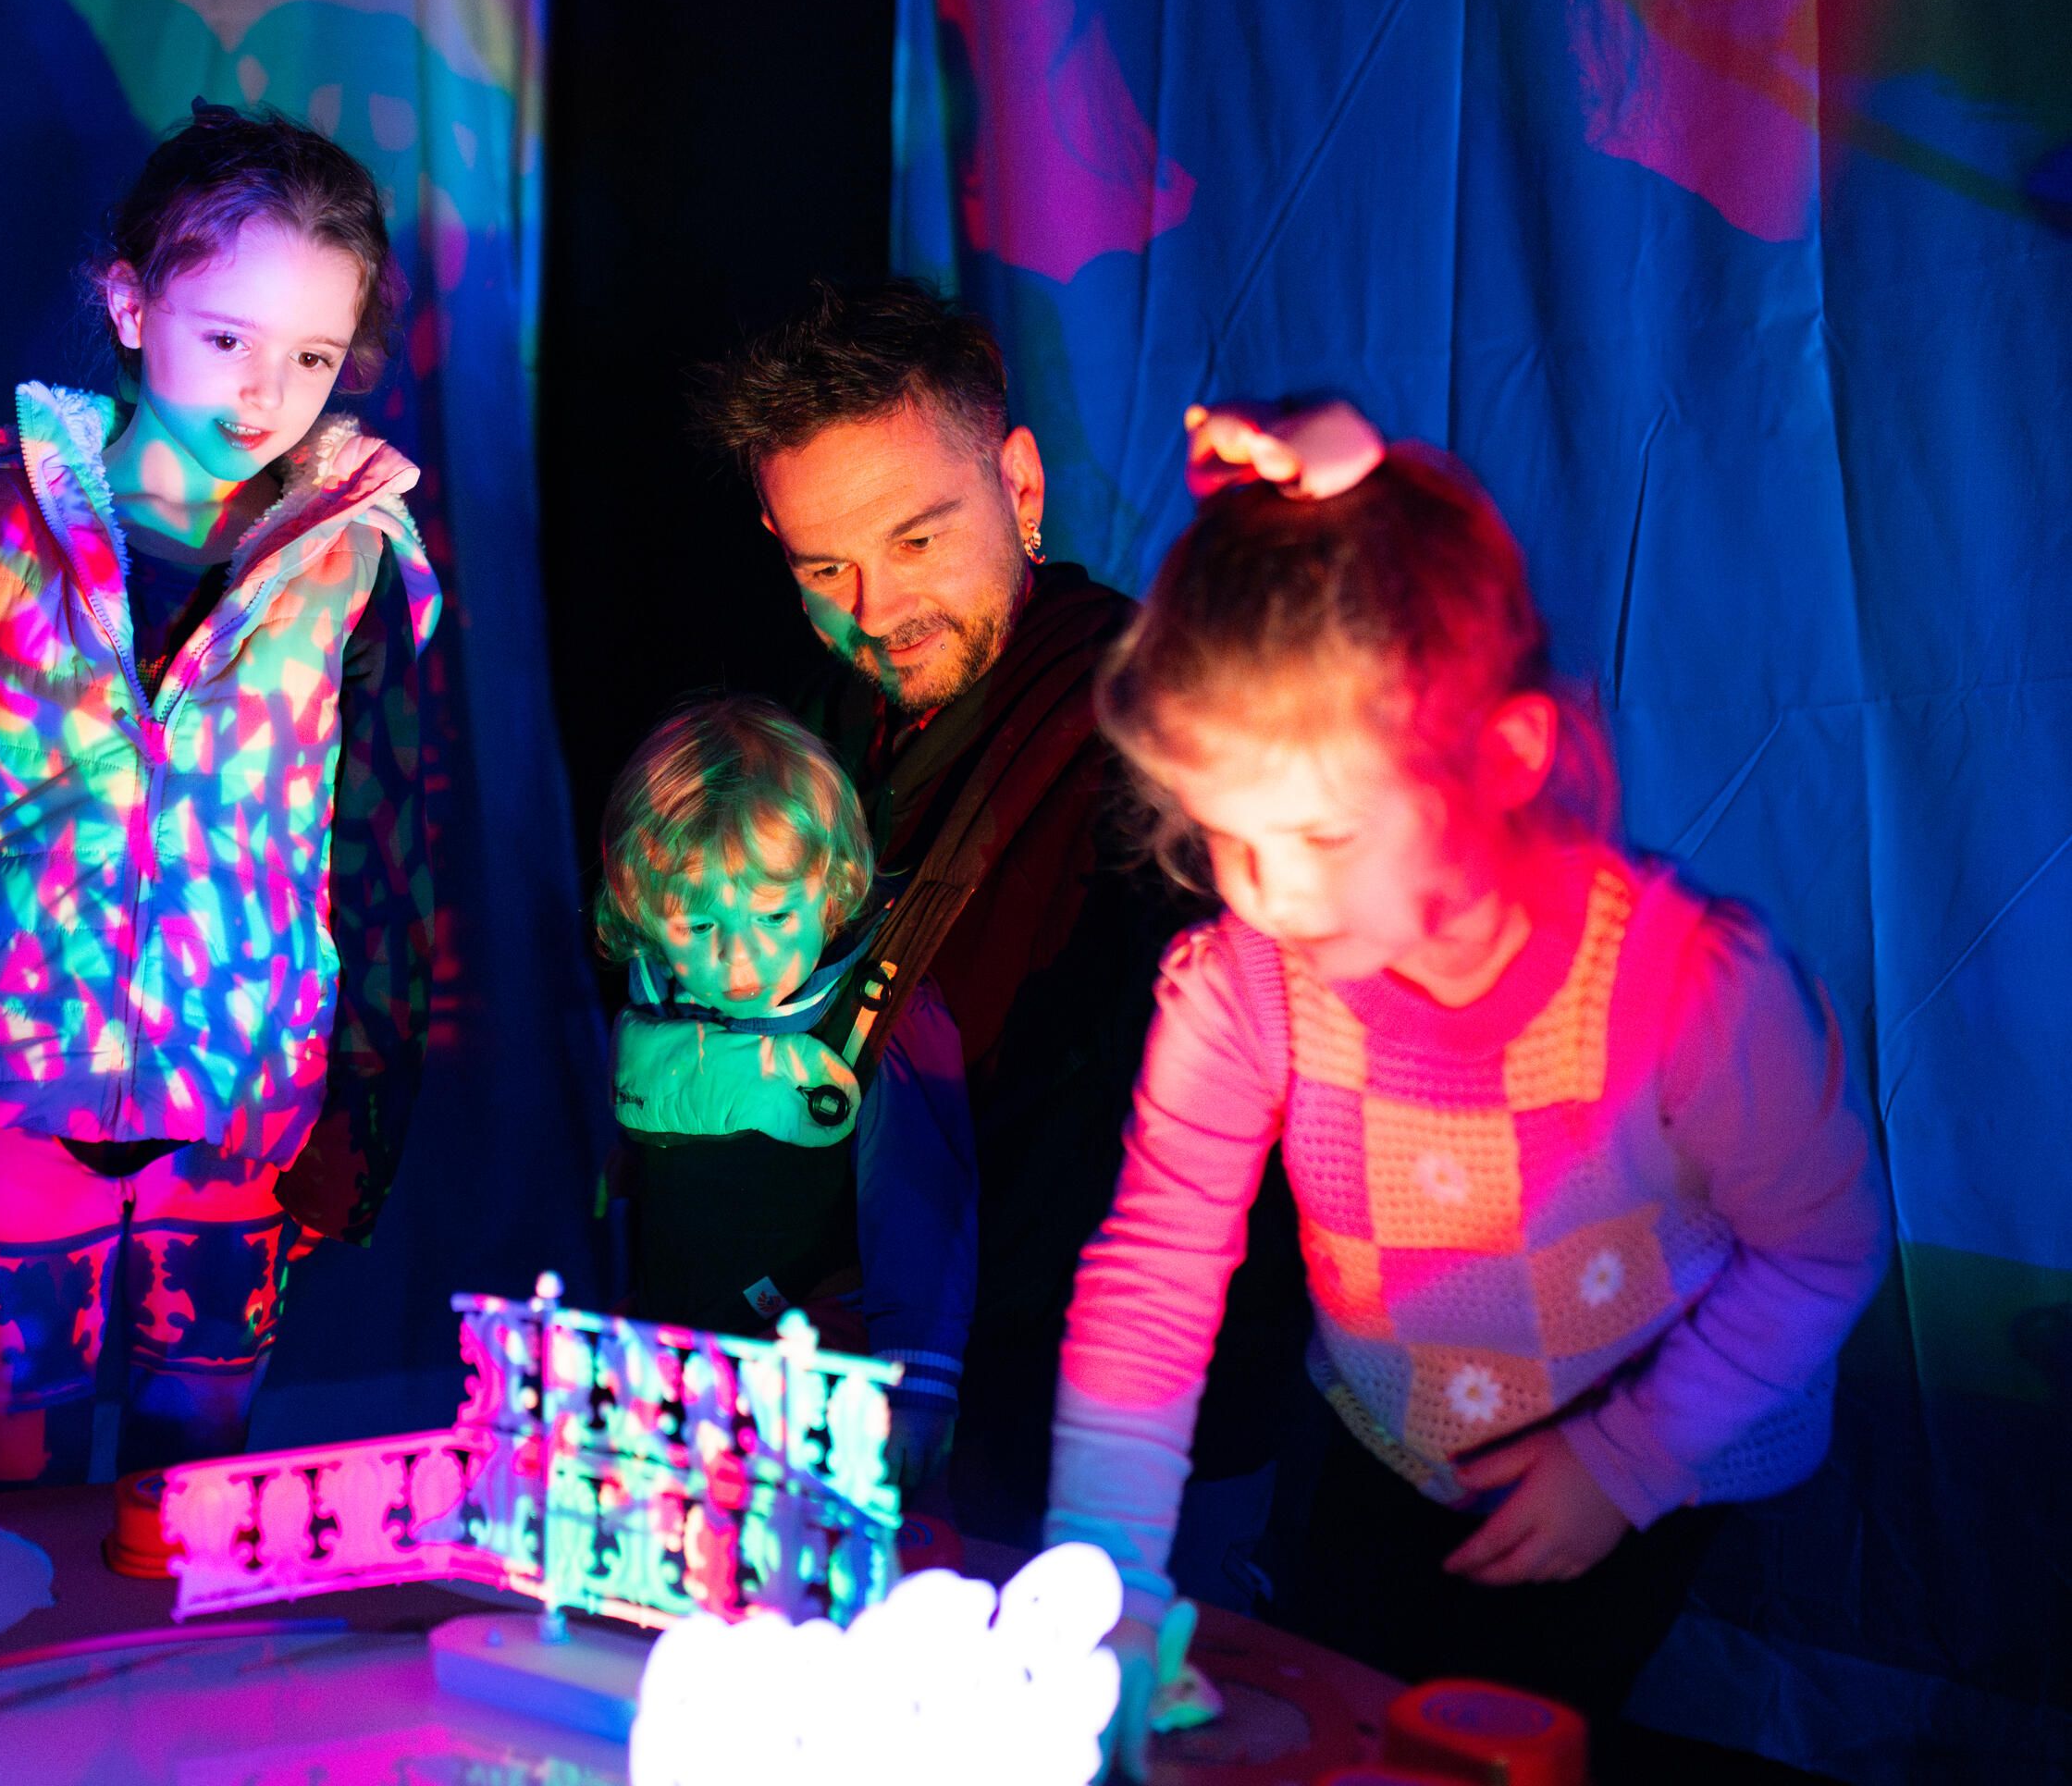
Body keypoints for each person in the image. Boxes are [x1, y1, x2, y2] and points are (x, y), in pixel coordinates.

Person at [1048, 402, 1890, 1778]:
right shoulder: (1241, 981)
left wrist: (1627, 1464)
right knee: (1343, 1709)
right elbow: (1153, 1279)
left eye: (1321, 831)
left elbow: (1823, 1250)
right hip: (1389, 1434)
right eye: (1227, 833)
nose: (1265, 890)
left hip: (1645, 1448)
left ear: (1500, 759)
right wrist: (1108, 1597)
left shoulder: (1689, 993)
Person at [0, 104, 440, 1484]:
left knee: (192, 1483)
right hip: (23, 1082)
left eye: (311, 356)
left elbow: (386, 854)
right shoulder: (5, 509)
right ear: (130, 304)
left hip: (236, 1094)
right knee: (11, 1460)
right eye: (225, 337)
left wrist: (365, 1101)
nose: (262, 393)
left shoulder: (357, 557)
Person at [694, 283, 1311, 1548]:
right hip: (860, 1412)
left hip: (1107, 1451)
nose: (875, 609)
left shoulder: (1167, 736)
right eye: (824, 565)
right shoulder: (809, 739)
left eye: (919, 541)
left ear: (1021, 491)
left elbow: (1131, 1154)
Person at [598, 695, 976, 1493]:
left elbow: (922, 1209)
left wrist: (919, 1386)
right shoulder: (653, 991)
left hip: (820, 1350)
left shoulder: (879, 1021)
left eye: (775, 914)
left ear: (833, 885)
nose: (741, 957)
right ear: (638, 906)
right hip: (679, 1337)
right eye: (698, 927)